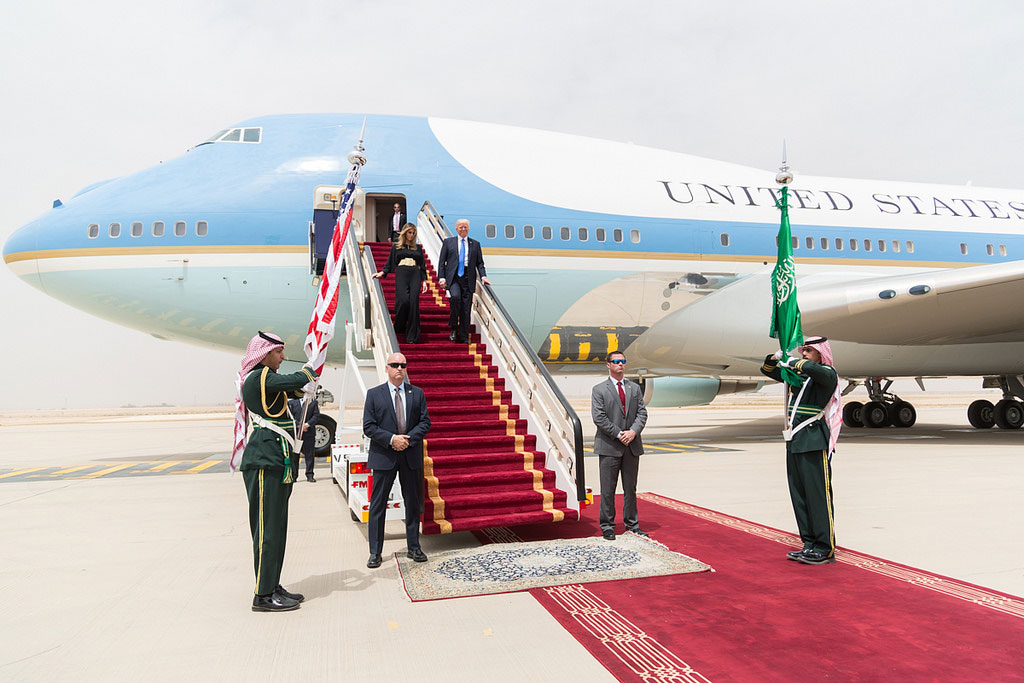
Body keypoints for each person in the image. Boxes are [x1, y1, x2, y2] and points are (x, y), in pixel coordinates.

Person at [232, 331, 318, 612]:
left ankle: (272, 583)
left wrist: (307, 382)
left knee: (277, 529)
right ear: (265, 353)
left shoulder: (268, 380)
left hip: (277, 462)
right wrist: (309, 369)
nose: (283, 357)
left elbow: (292, 388)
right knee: (266, 530)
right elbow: (294, 381)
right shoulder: (258, 377)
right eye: (279, 352)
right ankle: (262, 595)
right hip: (263, 462)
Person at [760, 336, 842, 565]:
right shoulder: (801, 378)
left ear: (820, 353)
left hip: (814, 441)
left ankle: (825, 548)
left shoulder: (827, 374)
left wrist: (793, 360)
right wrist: (776, 358)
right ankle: (809, 544)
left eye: (808, 350)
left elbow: (812, 368)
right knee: (800, 496)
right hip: (796, 441)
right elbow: (768, 370)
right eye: (803, 349)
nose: (804, 353)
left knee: (818, 497)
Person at [362, 352, 431, 568]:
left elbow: (424, 422)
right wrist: (392, 439)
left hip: (410, 456)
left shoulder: (417, 393)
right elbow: (369, 426)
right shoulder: (374, 394)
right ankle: (375, 552)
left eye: (402, 365)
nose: (399, 368)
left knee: (412, 503)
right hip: (385, 456)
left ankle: (414, 547)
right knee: (378, 505)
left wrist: (407, 441)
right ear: (387, 368)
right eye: (394, 365)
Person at [591, 351, 648, 540]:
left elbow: (642, 413)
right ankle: (607, 525)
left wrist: (632, 432)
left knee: (630, 488)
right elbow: (599, 417)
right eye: (616, 362)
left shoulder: (634, 388)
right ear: (608, 365)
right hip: (609, 445)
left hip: (632, 445)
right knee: (608, 488)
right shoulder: (599, 390)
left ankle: (632, 524)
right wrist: (618, 433)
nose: (620, 364)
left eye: (623, 361)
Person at [373, 223, 428, 344]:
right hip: (402, 273)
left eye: (413, 233)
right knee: (403, 301)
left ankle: (412, 337)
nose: (411, 235)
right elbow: (390, 262)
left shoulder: (417, 248)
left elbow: (422, 265)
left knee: (414, 303)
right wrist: (382, 272)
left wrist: (424, 281)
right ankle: (399, 326)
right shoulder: (396, 247)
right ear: (404, 233)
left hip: (415, 274)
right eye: (409, 232)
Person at [437, 218, 490, 343]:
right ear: (456, 229)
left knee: (466, 309)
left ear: (468, 229)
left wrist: (483, 276)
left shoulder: (475, 244)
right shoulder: (448, 242)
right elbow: (441, 262)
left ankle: (464, 337)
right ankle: (454, 327)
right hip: (454, 277)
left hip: (468, 277)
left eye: (465, 226)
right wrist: (442, 277)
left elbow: (480, 263)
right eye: (460, 227)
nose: (463, 229)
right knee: (455, 298)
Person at [287, 396, 320, 482]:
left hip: (309, 433)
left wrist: (307, 425)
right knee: (295, 455)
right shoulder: (292, 403)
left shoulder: (313, 402)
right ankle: (294, 476)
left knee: (309, 455)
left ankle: (310, 475)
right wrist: (299, 425)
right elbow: (290, 416)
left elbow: (316, 416)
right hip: (296, 434)